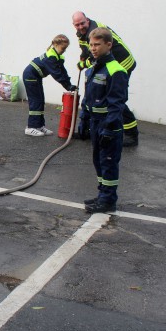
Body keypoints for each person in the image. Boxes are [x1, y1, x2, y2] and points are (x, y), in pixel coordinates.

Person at [72, 11, 139, 146]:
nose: (80, 27)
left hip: (121, 63)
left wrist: (83, 64)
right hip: (107, 64)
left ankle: (131, 134)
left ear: (88, 20)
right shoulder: (83, 33)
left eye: (82, 23)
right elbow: (87, 49)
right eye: (77, 25)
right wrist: (83, 55)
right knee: (95, 94)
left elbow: (96, 56)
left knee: (114, 97)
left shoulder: (95, 31)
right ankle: (91, 129)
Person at [80, 27, 128, 213]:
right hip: (95, 121)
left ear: (109, 45)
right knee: (98, 161)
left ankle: (108, 200)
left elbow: (117, 104)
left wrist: (109, 128)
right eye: (91, 44)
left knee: (108, 162)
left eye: (97, 44)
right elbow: (88, 96)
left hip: (109, 124)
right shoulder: (94, 68)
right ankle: (102, 195)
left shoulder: (116, 70)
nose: (93, 48)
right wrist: (83, 118)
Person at [22, 34, 77, 136]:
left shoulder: (58, 56)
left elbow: (62, 72)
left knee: (41, 100)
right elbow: (57, 74)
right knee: (36, 101)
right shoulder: (50, 57)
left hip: (36, 77)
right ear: (56, 45)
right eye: (63, 48)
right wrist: (67, 86)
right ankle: (31, 127)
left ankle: (39, 126)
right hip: (30, 76)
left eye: (66, 48)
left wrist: (69, 85)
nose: (64, 50)